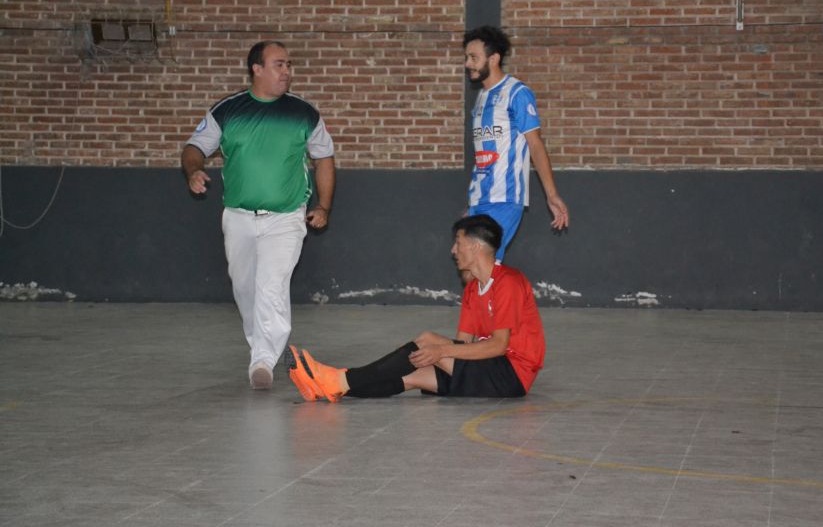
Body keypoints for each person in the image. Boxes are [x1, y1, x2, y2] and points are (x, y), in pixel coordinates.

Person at [181, 40, 336, 391]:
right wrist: (193, 170)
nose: (287, 71)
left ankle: (263, 360)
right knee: (245, 288)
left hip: (286, 217)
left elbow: (324, 158)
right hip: (237, 217)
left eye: (289, 65)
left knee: (271, 285)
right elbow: (194, 148)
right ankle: (262, 350)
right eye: (280, 64)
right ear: (257, 69)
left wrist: (323, 206)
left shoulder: (304, 113)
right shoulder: (228, 111)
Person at [283, 214, 545, 401]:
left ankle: (336, 378)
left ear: (476, 247)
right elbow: (463, 344)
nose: (453, 250)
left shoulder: (508, 282)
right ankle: (327, 388)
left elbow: (498, 345)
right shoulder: (473, 289)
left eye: (458, 242)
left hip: (511, 375)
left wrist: (439, 350)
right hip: (490, 367)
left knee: (426, 348)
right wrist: (430, 350)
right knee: (413, 372)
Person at [463, 25, 569, 262]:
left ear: (494, 59)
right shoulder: (481, 99)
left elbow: (536, 144)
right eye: (467, 57)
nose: (468, 63)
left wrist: (552, 195)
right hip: (480, 198)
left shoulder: (517, 94)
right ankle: (505, 300)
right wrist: (471, 203)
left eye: (473, 57)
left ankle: (510, 300)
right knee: (472, 267)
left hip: (505, 197)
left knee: (482, 264)